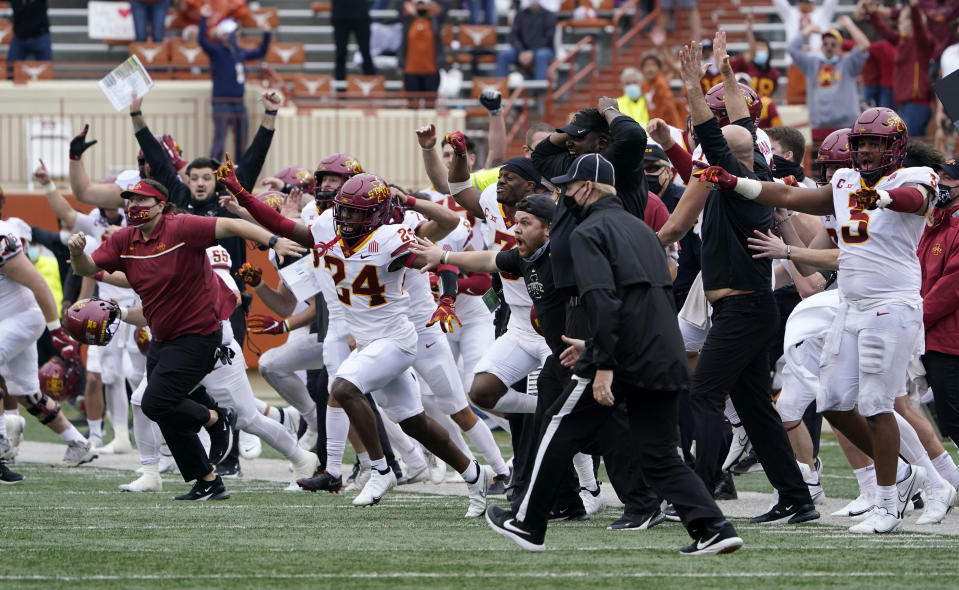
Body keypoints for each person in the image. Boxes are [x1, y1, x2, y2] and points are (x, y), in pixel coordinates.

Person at [482, 154, 741, 555]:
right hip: (662, 349)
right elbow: (642, 295)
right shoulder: (638, 228)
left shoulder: (589, 233)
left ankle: (528, 523)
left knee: (557, 425)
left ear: (586, 188)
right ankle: (713, 528)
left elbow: (603, 300)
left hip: (624, 356)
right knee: (658, 454)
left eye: (569, 187)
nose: (564, 194)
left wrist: (602, 362)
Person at [700, 106, 938, 533]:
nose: (866, 152)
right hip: (849, 303)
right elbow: (790, 197)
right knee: (833, 401)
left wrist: (880, 196)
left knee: (876, 404)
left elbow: (915, 201)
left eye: (875, 143)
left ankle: (887, 503)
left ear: (894, 146)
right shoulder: (845, 181)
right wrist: (738, 183)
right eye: (861, 144)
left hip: (891, 304)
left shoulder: (912, 177)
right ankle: (902, 476)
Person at [217, 163, 495, 515]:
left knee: (344, 388)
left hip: (396, 339)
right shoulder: (325, 226)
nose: (345, 216)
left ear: (377, 213)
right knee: (415, 423)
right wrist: (241, 192)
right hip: (369, 342)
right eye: (343, 208)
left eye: (354, 211)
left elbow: (446, 245)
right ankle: (476, 475)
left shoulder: (391, 239)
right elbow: (279, 225)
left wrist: (447, 295)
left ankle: (380, 470)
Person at [659, 38, 819, 524]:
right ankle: (797, 498)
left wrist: (691, 84)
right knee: (755, 408)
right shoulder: (760, 170)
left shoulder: (735, 179)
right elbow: (742, 125)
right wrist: (726, 75)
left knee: (705, 394)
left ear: (728, 161)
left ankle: (697, 496)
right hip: (748, 308)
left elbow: (716, 134)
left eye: (716, 154)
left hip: (744, 308)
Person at [67, 178, 305, 500]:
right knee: (157, 407)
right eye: (131, 201)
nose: (135, 207)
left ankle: (221, 421)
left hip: (204, 336)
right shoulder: (128, 241)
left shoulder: (185, 229)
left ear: (162, 206)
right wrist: (78, 253)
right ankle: (205, 479)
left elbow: (233, 232)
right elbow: (91, 270)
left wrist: (274, 240)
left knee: (158, 402)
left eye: (142, 201)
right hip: (164, 337)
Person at [0, 217, 95, 469]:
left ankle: (1, 441)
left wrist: (56, 330)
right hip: (9, 320)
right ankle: (78, 443)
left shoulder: (2, 238)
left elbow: (38, 284)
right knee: (26, 393)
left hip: (21, 317)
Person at [920, 157, 959, 448]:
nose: (940, 182)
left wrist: (913, 318)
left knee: (953, 419)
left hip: (947, 341)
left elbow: (951, 288)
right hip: (927, 337)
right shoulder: (934, 223)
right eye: (939, 175)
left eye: (949, 178)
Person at [198, 6, 272, 161]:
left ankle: (239, 176)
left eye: (236, 33)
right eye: (232, 33)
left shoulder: (239, 52)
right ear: (223, 35)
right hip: (221, 103)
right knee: (219, 142)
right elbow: (202, 41)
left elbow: (260, 52)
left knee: (241, 143)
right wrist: (204, 18)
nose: (236, 35)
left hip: (239, 103)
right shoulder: (216, 51)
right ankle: (213, 173)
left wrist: (266, 34)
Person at [788, 19, 869, 154]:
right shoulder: (812, 64)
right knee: (821, 167)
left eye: (833, 43)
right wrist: (807, 31)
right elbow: (792, 49)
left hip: (846, 126)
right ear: (821, 46)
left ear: (840, 47)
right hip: (819, 128)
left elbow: (864, 45)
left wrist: (849, 24)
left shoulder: (848, 63)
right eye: (825, 43)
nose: (829, 46)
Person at [866, 0, 936, 138]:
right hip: (903, 105)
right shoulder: (902, 41)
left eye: (902, 20)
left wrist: (914, 7)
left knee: (910, 150)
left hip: (916, 104)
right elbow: (884, 30)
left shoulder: (924, 42)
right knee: (904, 150)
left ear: (911, 23)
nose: (899, 24)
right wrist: (872, 12)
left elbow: (919, 28)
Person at [495, 1, 556, 81]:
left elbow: (548, 39)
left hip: (542, 50)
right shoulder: (520, 15)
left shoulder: (549, 15)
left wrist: (532, 52)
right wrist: (521, 52)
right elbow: (513, 36)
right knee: (504, 55)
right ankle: (500, 87)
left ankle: (539, 90)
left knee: (541, 55)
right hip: (522, 51)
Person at [400, 0, 444, 94]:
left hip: (431, 71)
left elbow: (446, 6)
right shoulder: (408, 22)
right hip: (411, 71)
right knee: (412, 106)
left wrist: (433, 8)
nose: (421, 8)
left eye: (423, 5)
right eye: (418, 5)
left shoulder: (435, 22)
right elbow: (399, 5)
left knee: (430, 107)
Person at [332, 0, 377, 85]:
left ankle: (372, 88)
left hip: (360, 14)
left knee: (366, 53)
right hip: (341, 15)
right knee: (340, 55)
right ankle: (340, 90)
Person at [7, 0, 51, 78]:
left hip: (40, 35)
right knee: (10, 69)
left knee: (46, 71)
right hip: (20, 38)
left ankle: (46, 89)